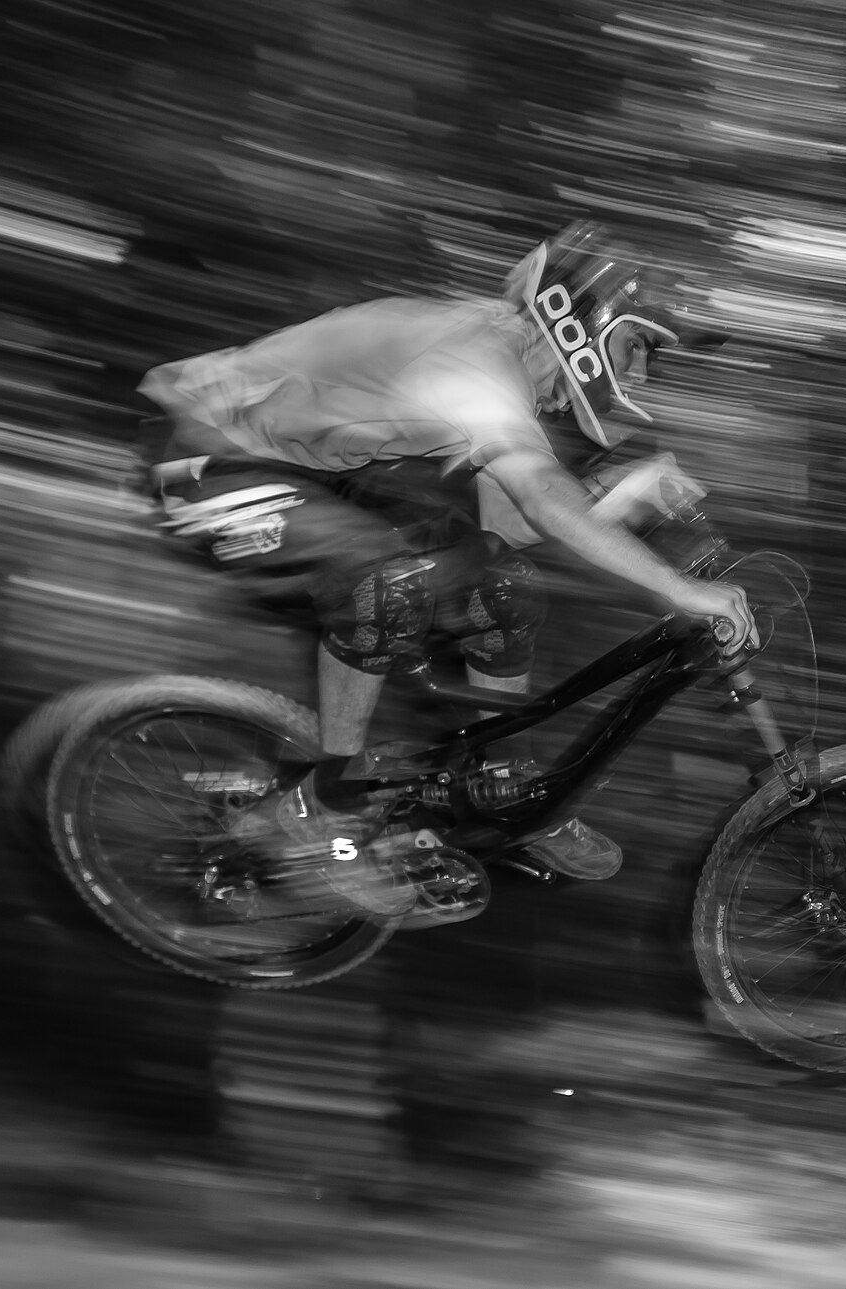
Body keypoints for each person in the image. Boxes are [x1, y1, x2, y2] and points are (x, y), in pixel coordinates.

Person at [139, 221, 757, 914]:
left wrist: (622, 499)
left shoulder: (505, 376)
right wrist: (677, 588)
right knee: (382, 578)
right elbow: (538, 497)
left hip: (310, 473)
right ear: (577, 317)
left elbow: (512, 526)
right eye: (638, 346)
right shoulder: (480, 354)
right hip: (207, 461)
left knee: (502, 588)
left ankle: (496, 787)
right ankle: (324, 809)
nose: (641, 373)